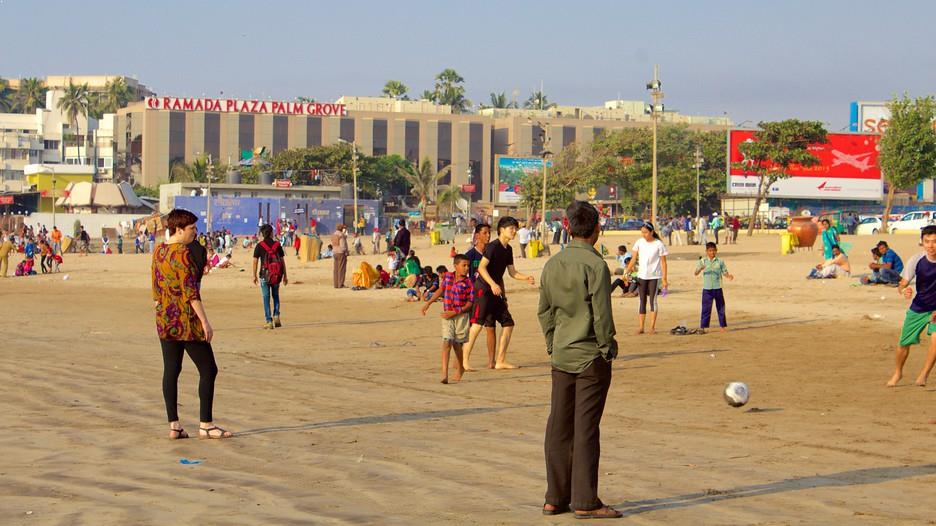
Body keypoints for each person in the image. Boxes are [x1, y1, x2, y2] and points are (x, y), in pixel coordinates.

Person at [538, 200, 621, 519]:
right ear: (596, 229)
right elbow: (602, 315)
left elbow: (544, 311)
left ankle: (554, 497)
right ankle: (585, 501)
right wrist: (607, 347)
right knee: (586, 429)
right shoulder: (596, 265)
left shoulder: (552, 264)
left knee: (558, 425)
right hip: (590, 357)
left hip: (562, 354)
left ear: (568, 227)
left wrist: (552, 344)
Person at [152, 209, 232, 440]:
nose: (194, 233)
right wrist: (205, 322)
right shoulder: (182, 253)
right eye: (192, 229)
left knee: (171, 370)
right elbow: (191, 292)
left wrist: (162, 307)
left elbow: (156, 289)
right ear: (179, 230)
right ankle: (206, 424)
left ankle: (174, 425)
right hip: (186, 320)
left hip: (165, 319)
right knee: (208, 369)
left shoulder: (159, 251)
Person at [461, 216, 535, 370]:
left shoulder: (508, 249)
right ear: (502, 230)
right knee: (476, 326)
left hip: (496, 292)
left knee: (508, 323)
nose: (514, 231)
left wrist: (525, 278)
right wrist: (493, 284)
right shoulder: (492, 247)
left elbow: (512, 272)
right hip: (483, 289)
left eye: (515, 228)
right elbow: (481, 268)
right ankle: (464, 361)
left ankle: (500, 360)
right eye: (511, 228)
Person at [887, 225, 936, 387]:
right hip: (919, 307)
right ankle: (898, 373)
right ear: (921, 242)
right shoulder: (916, 260)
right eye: (927, 241)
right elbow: (902, 284)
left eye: (935, 242)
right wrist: (904, 291)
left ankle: (923, 375)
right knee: (903, 344)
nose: (931, 245)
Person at [422, 254, 474, 384]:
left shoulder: (468, 283)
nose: (466, 268)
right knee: (447, 342)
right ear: (455, 266)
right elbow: (441, 290)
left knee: (457, 345)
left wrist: (457, 312)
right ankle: (444, 373)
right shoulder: (448, 277)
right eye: (464, 265)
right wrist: (428, 303)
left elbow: (470, 303)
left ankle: (461, 367)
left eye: (468, 266)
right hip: (447, 314)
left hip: (461, 316)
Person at [624, 222, 669, 335]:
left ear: (651, 232)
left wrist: (664, 279)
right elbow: (633, 259)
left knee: (653, 301)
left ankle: (652, 327)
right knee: (642, 300)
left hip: (654, 276)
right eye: (642, 232)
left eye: (645, 232)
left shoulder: (659, 244)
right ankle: (641, 327)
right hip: (641, 276)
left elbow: (663, 263)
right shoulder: (639, 242)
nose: (643, 234)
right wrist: (626, 272)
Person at [465, 223, 498, 368]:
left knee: (491, 327)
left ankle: (491, 361)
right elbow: (462, 276)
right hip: (475, 296)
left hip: (490, 295)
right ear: (477, 235)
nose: (488, 236)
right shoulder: (470, 255)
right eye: (484, 233)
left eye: (489, 233)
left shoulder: (492, 253)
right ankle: (462, 359)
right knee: (471, 328)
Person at [253, 224, 288, 329]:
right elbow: (282, 261)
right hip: (276, 275)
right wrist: (285, 275)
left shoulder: (259, 246)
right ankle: (276, 315)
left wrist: (254, 275)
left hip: (264, 275)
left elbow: (255, 262)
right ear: (271, 233)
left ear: (262, 234)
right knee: (276, 296)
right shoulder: (277, 245)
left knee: (266, 298)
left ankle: (269, 321)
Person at [695, 242, 734, 332]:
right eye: (710, 251)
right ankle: (704, 327)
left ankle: (722, 326)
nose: (712, 252)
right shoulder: (702, 261)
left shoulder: (720, 261)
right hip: (707, 289)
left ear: (716, 251)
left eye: (713, 251)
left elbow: (724, 271)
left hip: (718, 288)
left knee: (721, 307)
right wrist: (701, 268)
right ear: (706, 251)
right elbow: (695, 273)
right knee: (706, 308)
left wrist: (729, 276)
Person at [332, 224, 348, 288]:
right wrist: (346, 252)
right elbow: (343, 245)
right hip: (341, 253)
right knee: (341, 269)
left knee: (336, 269)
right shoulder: (341, 235)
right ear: (341, 228)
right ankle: (340, 284)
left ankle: (336, 284)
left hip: (335, 252)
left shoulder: (334, 234)